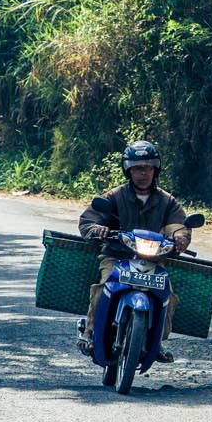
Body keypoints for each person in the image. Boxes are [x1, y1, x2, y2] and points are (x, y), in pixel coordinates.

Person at [77, 140, 192, 363]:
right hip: (117, 256)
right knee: (104, 287)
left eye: (148, 168)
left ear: (155, 170)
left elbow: (178, 224)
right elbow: (88, 220)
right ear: (128, 170)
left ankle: (157, 340)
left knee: (167, 296)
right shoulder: (114, 196)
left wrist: (180, 237)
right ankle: (90, 332)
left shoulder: (168, 201)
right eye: (138, 168)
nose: (143, 173)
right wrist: (97, 229)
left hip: (153, 259)